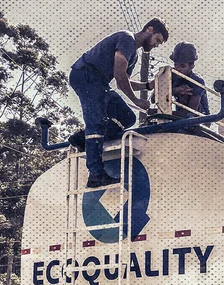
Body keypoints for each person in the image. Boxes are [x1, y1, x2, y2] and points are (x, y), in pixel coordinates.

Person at [68, 18, 169, 188]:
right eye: (157, 40)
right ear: (149, 30)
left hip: (100, 83)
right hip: (85, 75)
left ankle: (81, 139)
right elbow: (120, 76)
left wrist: (147, 85)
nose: (156, 45)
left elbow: (125, 81)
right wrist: (136, 100)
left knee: (127, 117)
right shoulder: (127, 38)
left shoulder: (134, 56)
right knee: (96, 121)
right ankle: (96, 174)